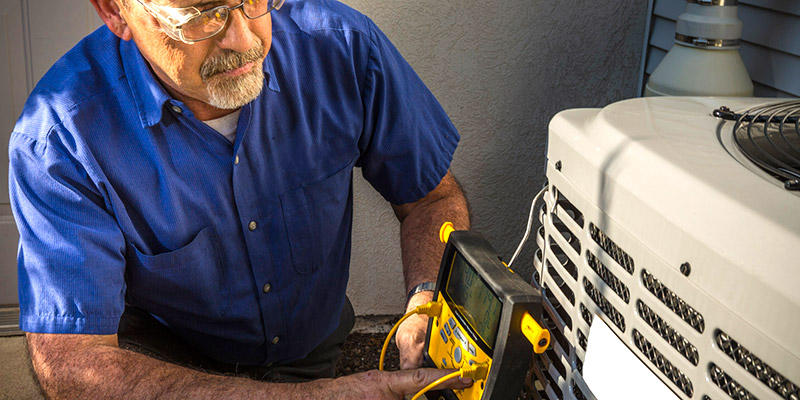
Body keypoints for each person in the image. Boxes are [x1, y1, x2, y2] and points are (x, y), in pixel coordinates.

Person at [8, 0, 471, 398]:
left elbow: (432, 200)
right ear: (116, 11)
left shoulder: (344, 47)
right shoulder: (58, 139)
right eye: (199, 13)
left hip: (310, 350)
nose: (241, 37)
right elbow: (73, 366)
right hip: (166, 373)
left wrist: (428, 296)